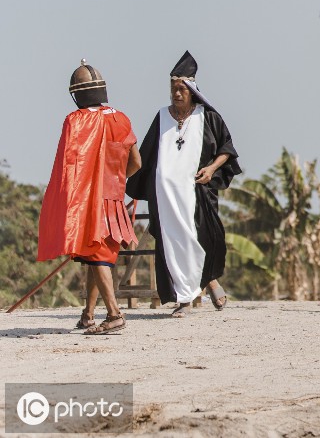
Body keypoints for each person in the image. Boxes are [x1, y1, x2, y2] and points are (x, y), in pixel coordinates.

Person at [126, 52, 241, 317]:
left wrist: (211, 169)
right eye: (173, 89)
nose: (176, 94)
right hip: (165, 197)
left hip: (196, 193)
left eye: (181, 89)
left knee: (200, 239)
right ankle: (185, 299)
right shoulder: (161, 117)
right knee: (172, 244)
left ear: (191, 91)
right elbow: (145, 154)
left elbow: (227, 149)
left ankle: (210, 280)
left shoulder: (208, 117)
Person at [38, 61, 142, 335]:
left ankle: (115, 314)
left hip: (90, 203)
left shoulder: (76, 121)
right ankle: (87, 315)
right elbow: (136, 163)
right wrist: (115, 181)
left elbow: (68, 167)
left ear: (77, 94)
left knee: (97, 256)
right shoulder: (121, 118)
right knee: (97, 257)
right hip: (114, 200)